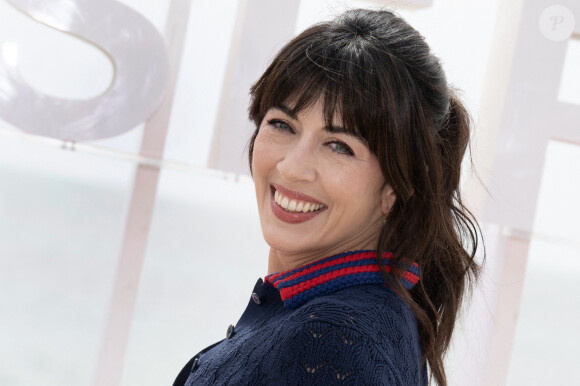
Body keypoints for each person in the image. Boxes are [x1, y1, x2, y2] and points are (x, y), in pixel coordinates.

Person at [174, 8, 481, 386]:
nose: (292, 167)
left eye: (339, 145)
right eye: (282, 124)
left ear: (399, 187)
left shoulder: (331, 341)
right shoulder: (348, 317)